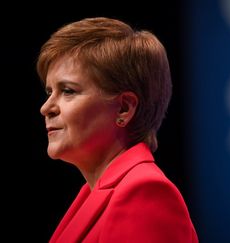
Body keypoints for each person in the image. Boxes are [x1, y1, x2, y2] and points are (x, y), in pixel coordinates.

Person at [37, 17, 198, 243]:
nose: (46, 108)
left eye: (68, 91)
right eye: (49, 92)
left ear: (124, 108)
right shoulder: (92, 193)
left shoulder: (144, 192)